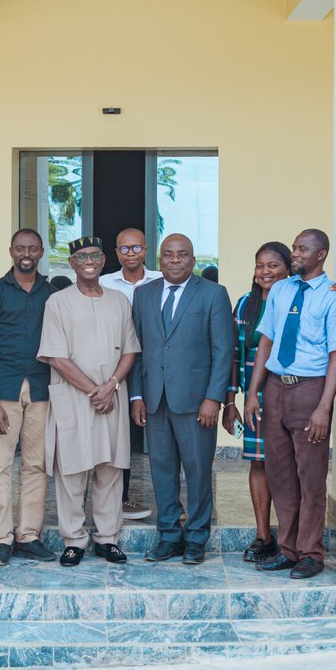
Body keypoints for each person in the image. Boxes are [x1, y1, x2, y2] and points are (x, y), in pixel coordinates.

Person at [244, 229, 336, 580]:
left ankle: (311, 552)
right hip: (275, 388)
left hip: (310, 390)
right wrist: (252, 393)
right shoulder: (280, 289)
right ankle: (287, 549)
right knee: (280, 474)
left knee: (310, 476)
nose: (296, 254)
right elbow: (266, 342)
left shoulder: (334, 297)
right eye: (294, 248)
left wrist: (324, 406)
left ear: (321, 254)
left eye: (303, 249)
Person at [130, 233, 234, 565]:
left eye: (182, 254)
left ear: (193, 259)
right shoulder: (143, 294)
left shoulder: (213, 294)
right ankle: (170, 535)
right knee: (161, 470)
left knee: (198, 470)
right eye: (168, 255)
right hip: (154, 399)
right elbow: (137, 348)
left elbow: (223, 352)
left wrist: (213, 398)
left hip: (196, 402)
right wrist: (136, 396)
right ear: (159, 260)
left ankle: (197, 537)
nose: (175, 260)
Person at [38, 236, 140, 566]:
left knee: (109, 468)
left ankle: (107, 538)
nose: (89, 261)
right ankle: (74, 539)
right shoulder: (58, 302)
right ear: (71, 263)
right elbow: (55, 356)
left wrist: (110, 385)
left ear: (103, 259)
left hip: (111, 395)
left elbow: (130, 349)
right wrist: (95, 390)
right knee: (72, 470)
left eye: (95, 254)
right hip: (74, 396)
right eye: (81, 256)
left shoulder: (119, 301)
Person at [0, 229, 58, 567]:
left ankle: (28, 535)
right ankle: (2, 539)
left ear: (41, 252)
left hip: (41, 390)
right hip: (4, 392)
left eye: (33, 248)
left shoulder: (52, 295)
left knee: (37, 466)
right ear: (11, 251)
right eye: (21, 248)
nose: (26, 253)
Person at [223, 242, 291, 563]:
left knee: (289, 466)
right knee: (259, 462)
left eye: (273, 265)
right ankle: (263, 535)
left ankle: (291, 536)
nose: (265, 271)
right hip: (254, 395)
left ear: (288, 268)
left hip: (290, 391)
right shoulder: (245, 304)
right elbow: (234, 356)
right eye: (260, 265)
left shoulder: (296, 299)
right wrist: (231, 400)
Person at [99, 227, 161, 520]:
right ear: (116, 253)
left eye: (136, 248)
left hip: (158, 366)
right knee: (120, 436)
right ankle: (119, 500)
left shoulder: (162, 280)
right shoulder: (102, 283)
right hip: (117, 368)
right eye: (124, 249)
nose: (131, 254)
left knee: (163, 434)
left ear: (147, 250)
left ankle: (171, 502)